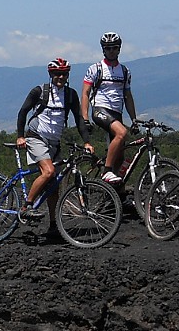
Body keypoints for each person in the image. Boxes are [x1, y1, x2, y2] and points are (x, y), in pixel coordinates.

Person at [15, 57, 94, 236]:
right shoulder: (39, 91)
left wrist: (87, 142)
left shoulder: (70, 95)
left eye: (64, 74)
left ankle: (53, 225)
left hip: (54, 142)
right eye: (57, 73)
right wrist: (20, 136)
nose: (61, 76)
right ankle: (26, 206)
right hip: (36, 137)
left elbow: (79, 119)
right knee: (49, 172)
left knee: (53, 186)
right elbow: (23, 112)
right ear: (51, 74)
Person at [81, 32, 138, 184]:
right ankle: (106, 171)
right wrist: (85, 118)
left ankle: (116, 195)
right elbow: (85, 93)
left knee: (119, 158)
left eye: (114, 47)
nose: (111, 51)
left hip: (116, 113)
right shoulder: (96, 69)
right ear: (103, 50)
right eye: (107, 48)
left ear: (119, 49)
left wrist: (134, 119)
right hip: (100, 109)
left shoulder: (125, 71)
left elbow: (128, 97)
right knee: (122, 132)